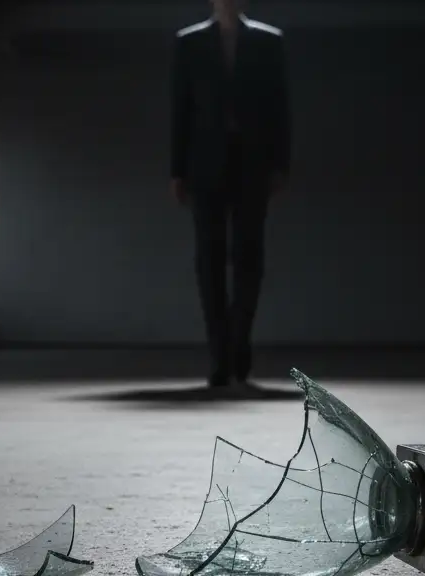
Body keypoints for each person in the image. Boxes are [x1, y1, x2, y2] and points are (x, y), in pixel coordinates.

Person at [170, 0, 291, 388]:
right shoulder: (190, 42)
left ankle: (240, 349)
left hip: (253, 163)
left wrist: (280, 163)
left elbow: (279, 106)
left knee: (248, 257)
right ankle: (220, 356)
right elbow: (181, 108)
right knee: (209, 259)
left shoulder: (268, 41)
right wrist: (177, 170)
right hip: (205, 165)